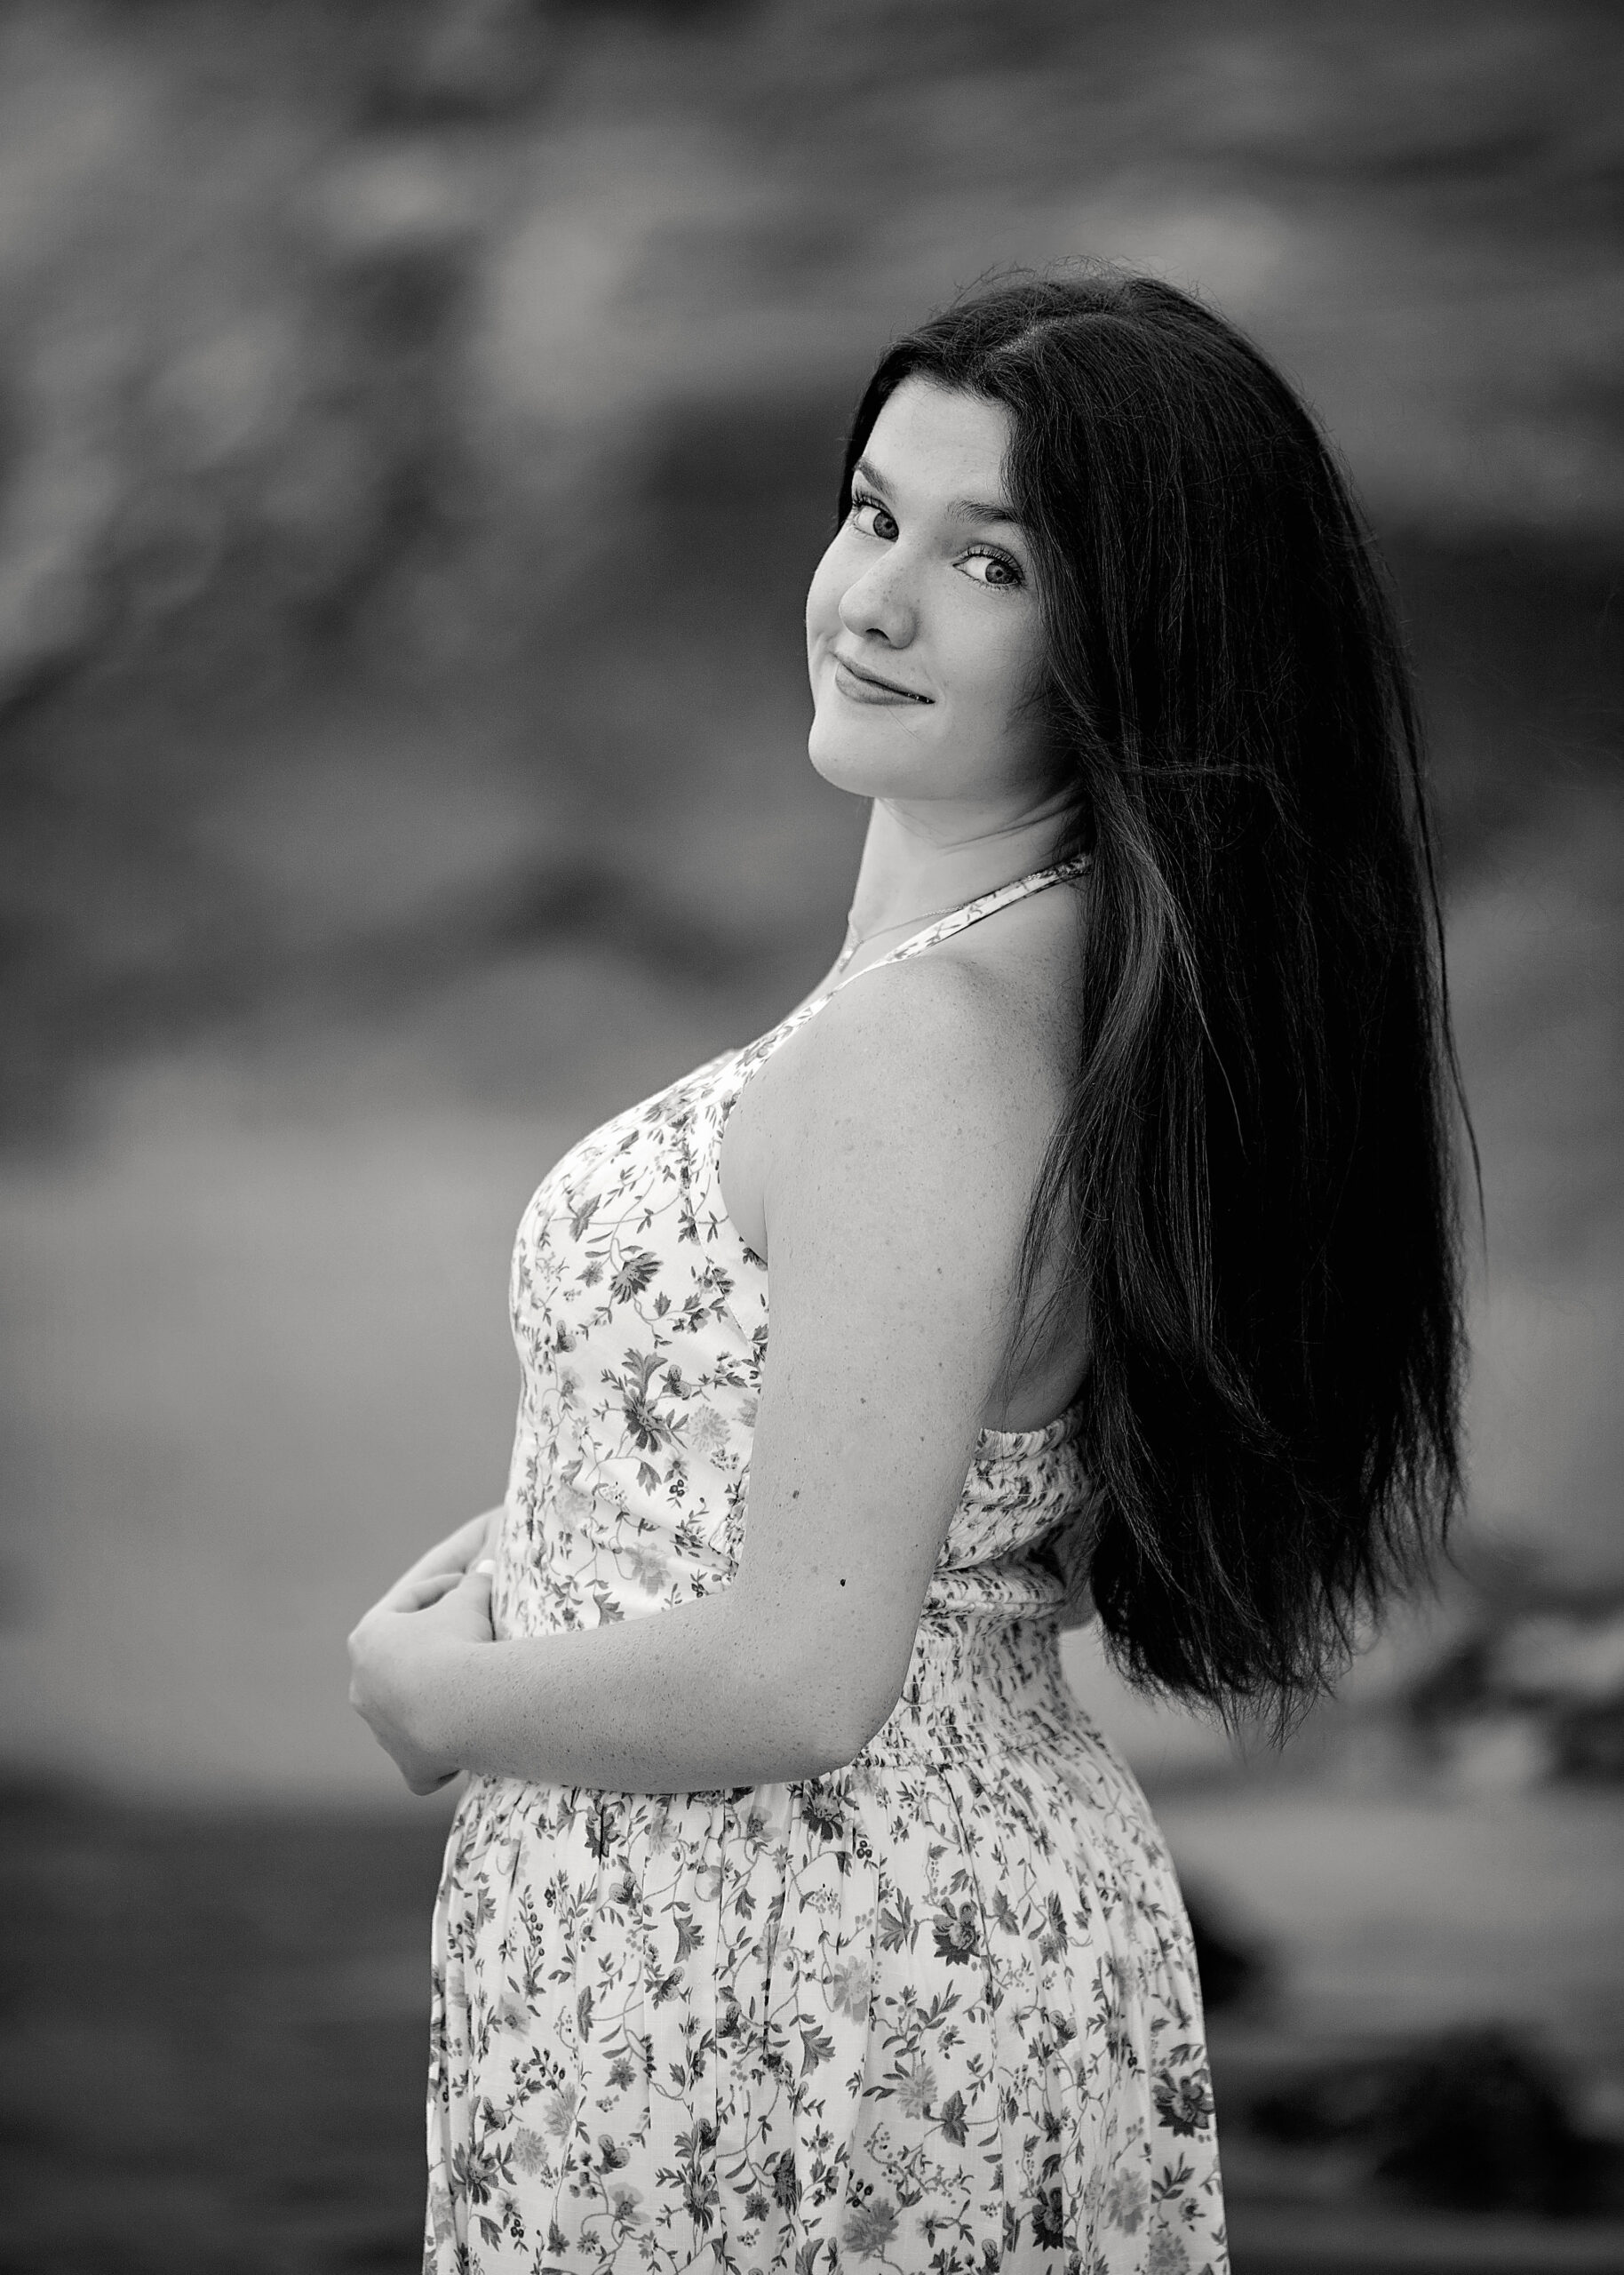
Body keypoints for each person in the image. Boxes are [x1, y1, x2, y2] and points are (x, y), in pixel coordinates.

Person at [348, 266, 1467, 2275]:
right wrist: (577, 1521)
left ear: (1136, 644)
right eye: (872, 511)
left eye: (989, 562)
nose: (870, 599)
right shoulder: (1068, 987)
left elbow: (802, 1672)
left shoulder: (929, 1045)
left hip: (790, 1980)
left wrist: (434, 1690)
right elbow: (942, 1497)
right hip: (862, 1943)